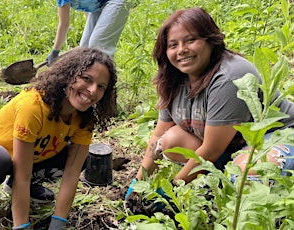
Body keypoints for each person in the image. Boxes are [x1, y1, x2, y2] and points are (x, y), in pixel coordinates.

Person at [126, 7, 294, 198]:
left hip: (278, 135)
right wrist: (138, 183)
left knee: (248, 174)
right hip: (231, 144)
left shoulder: (229, 77)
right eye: (173, 45)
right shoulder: (174, 78)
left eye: (190, 40)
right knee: (170, 141)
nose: (182, 50)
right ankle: (221, 176)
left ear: (210, 41)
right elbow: (158, 135)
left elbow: (211, 150)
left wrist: (172, 190)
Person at [0, 47, 118, 229]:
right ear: (69, 75)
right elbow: (22, 175)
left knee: (78, 160)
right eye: (86, 79)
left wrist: (58, 223)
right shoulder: (33, 106)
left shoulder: (84, 118)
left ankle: (16, 186)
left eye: (101, 86)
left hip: (22, 161)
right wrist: (22, 226)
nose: (92, 90)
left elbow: (72, 175)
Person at [45, 0, 132, 65]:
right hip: (99, 5)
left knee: (98, 46)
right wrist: (54, 52)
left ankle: (104, 83)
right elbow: (65, 22)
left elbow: (64, 25)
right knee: (85, 48)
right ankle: (88, 81)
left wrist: (55, 52)